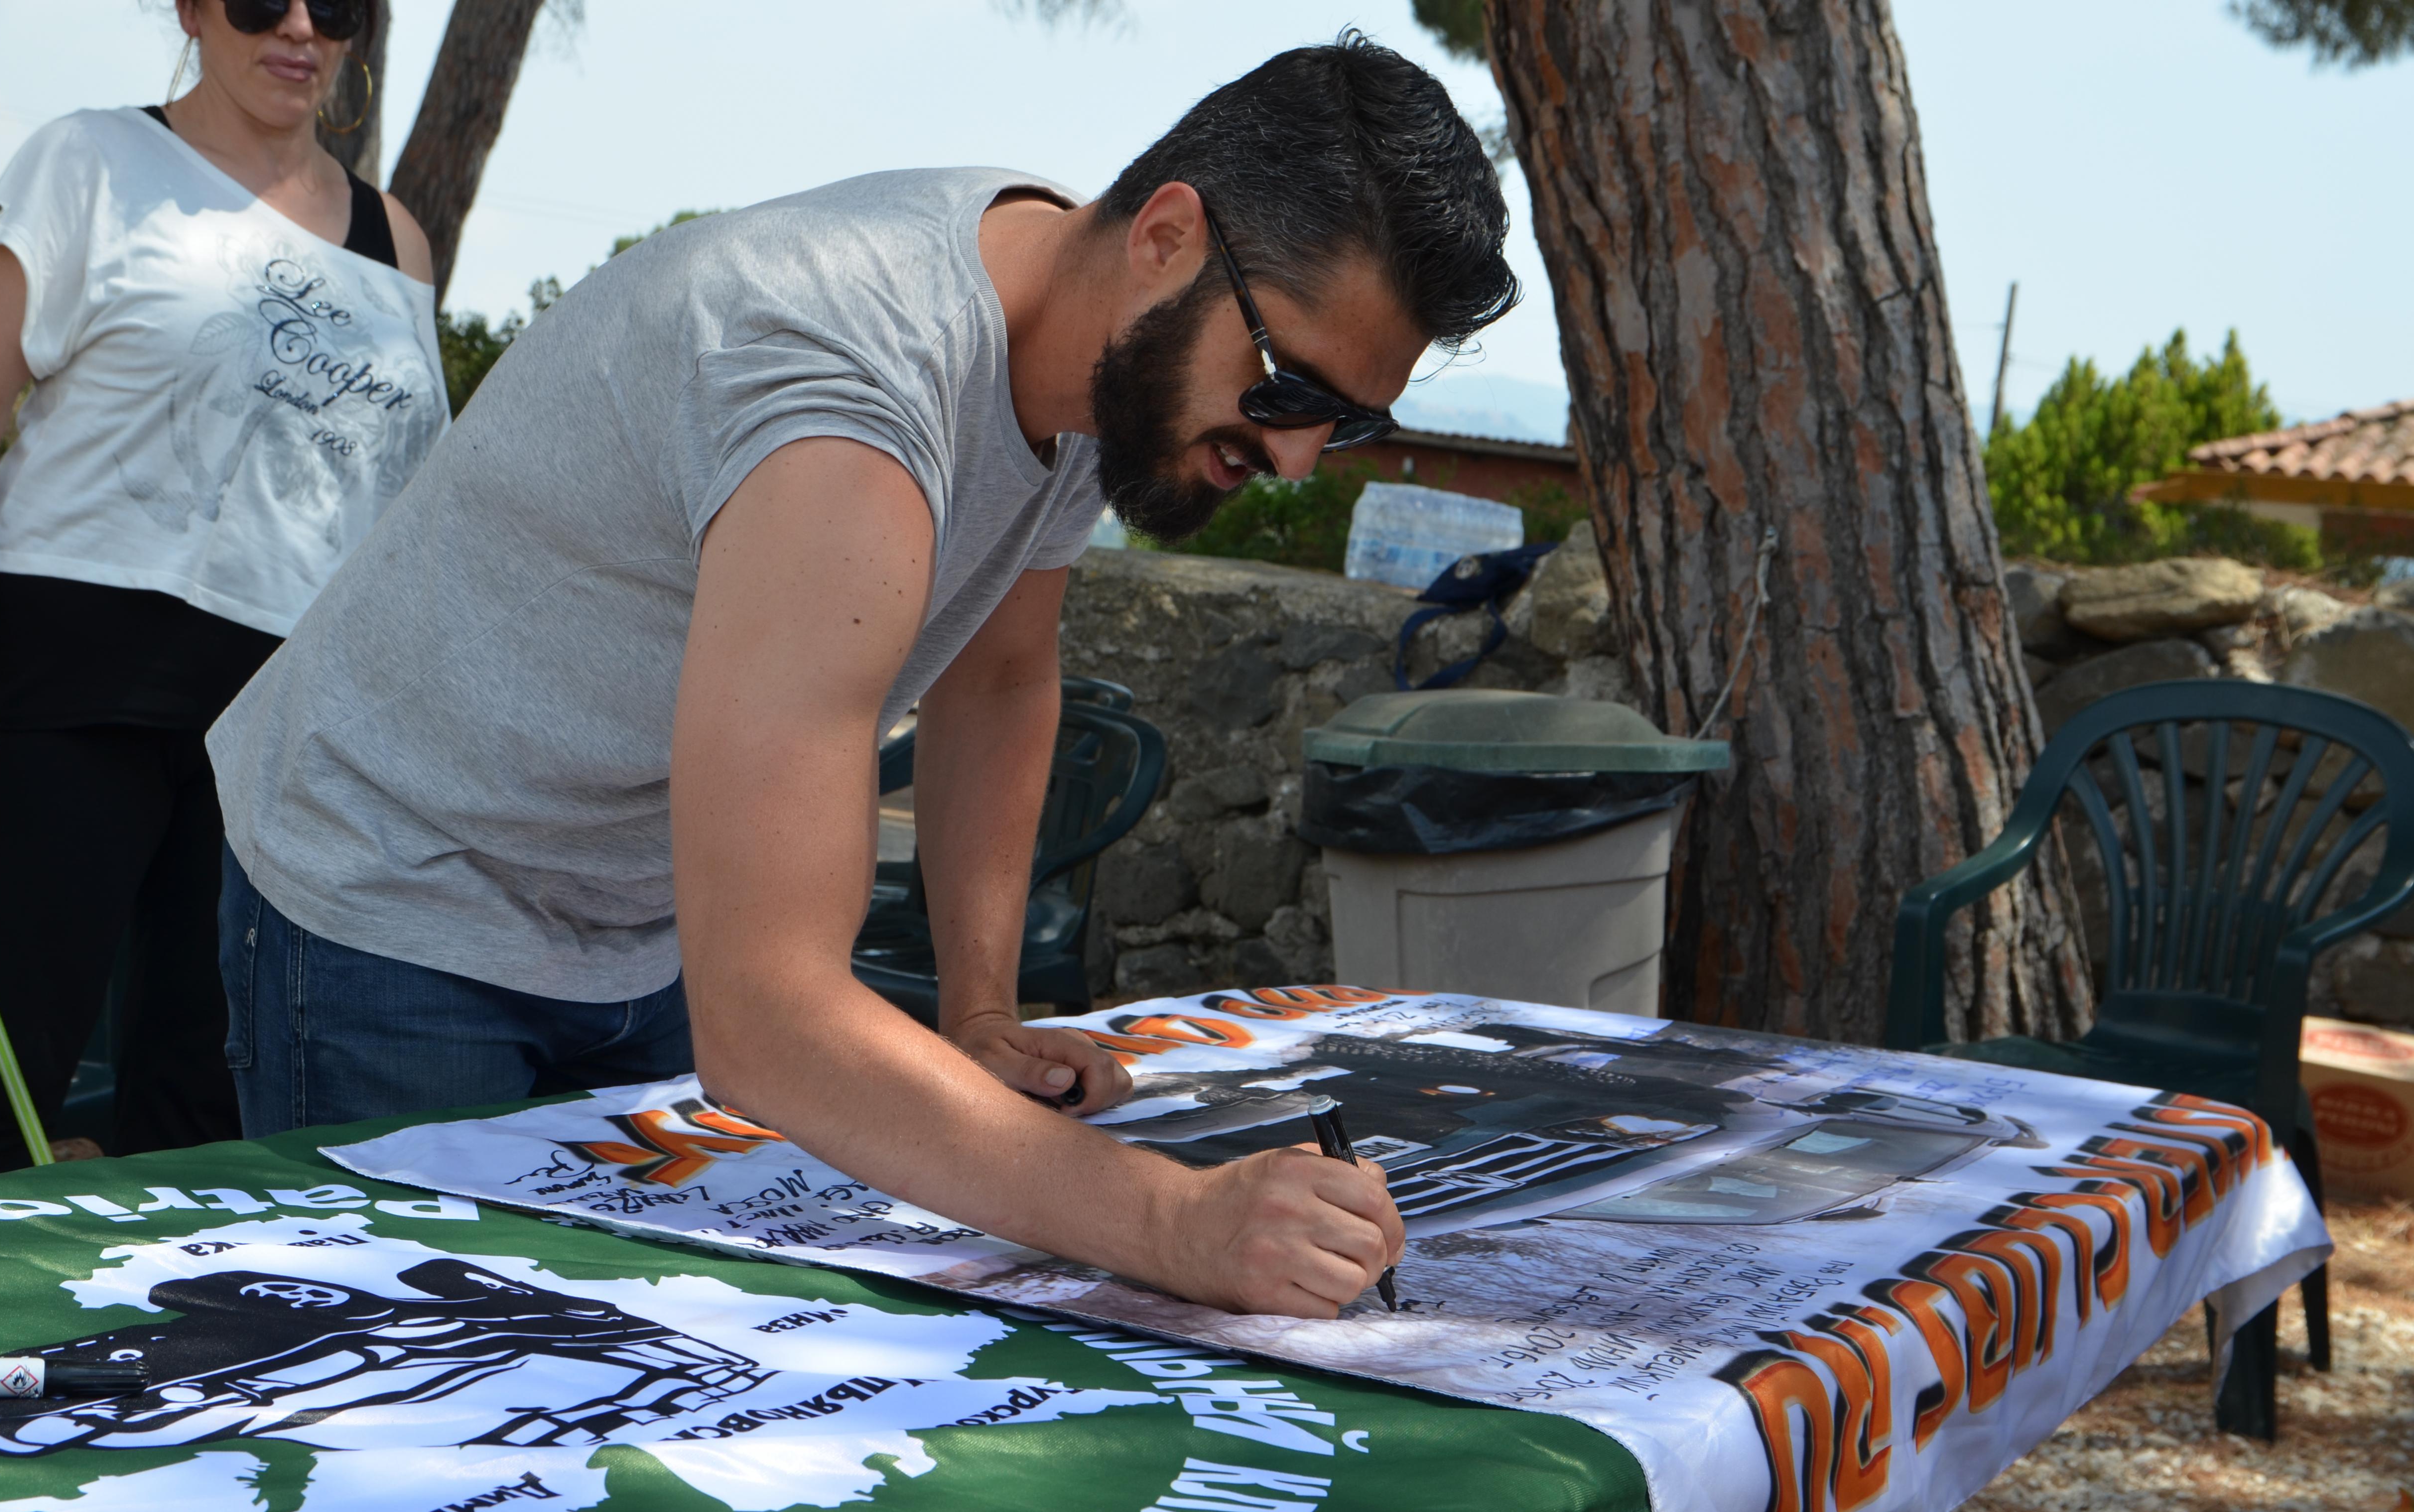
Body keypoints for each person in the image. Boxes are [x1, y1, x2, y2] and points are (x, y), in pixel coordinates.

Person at [209, 33, 1517, 1316]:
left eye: (1349, 422)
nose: (1296, 459)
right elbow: (772, 1021)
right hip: (401, 885)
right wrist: (1176, 1223)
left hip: (634, 923)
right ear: (1167, 237)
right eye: (1286, 387)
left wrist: (982, 1012)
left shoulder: (1095, 342)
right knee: (444, 1359)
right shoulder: (845, 389)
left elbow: (1001, 675)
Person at [0, 0, 447, 1175]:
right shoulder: (92, 159)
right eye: (258, 0)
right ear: (190, 10)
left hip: (279, 726)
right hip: (66, 679)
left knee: (205, 1108)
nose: (299, 28)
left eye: (336, 6)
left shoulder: (396, 237)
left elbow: (403, 512)